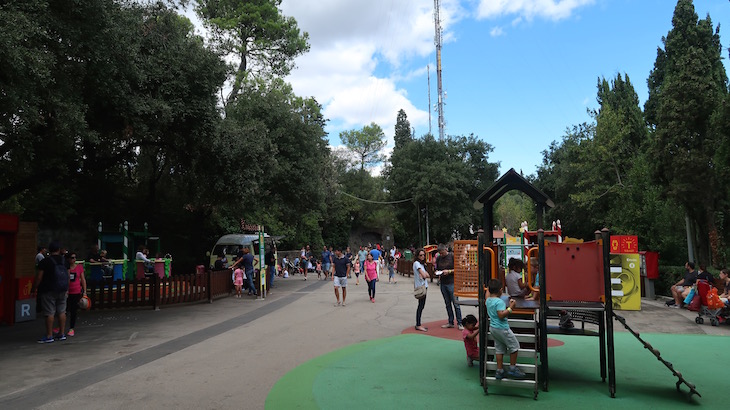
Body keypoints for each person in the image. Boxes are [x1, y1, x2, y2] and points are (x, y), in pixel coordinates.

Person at [486, 279, 526, 379]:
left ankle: (499, 370)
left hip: (493, 328)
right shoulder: (499, 302)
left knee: (499, 349)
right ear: (500, 290)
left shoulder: (488, 300)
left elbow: (487, 295)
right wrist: (511, 307)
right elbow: (501, 315)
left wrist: (486, 289)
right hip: (502, 328)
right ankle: (512, 369)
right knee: (515, 346)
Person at [31, 242, 69, 343]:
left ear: (49, 250)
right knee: (62, 311)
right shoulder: (64, 261)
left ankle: (49, 335)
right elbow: (68, 275)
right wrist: (67, 288)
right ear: (59, 249)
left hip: (48, 290)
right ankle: (61, 333)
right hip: (63, 289)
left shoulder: (45, 262)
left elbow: (39, 277)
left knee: (49, 312)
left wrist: (34, 288)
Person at [435, 244, 463, 330]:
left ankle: (460, 322)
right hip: (443, 282)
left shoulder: (452, 256)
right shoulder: (439, 258)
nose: (442, 255)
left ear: (446, 250)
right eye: (440, 253)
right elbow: (436, 267)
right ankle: (450, 321)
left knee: (456, 303)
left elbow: (458, 268)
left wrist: (449, 271)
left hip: (452, 282)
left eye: (443, 253)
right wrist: (438, 272)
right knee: (447, 303)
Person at [65, 251, 87, 337]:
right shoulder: (66, 268)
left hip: (76, 291)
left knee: (73, 310)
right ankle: (60, 326)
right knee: (64, 310)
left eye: (75, 257)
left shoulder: (79, 267)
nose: (74, 260)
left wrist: (84, 291)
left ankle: (71, 328)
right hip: (67, 291)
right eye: (72, 258)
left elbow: (83, 279)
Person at [414, 249, 429, 332]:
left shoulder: (422, 264)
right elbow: (424, 275)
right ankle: (418, 324)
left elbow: (428, 275)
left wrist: (424, 274)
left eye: (423, 255)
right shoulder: (417, 263)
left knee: (422, 306)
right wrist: (424, 274)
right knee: (420, 306)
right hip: (420, 287)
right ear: (417, 256)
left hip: (424, 286)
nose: (422, 256)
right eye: (421, 255)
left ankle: (418, 323)